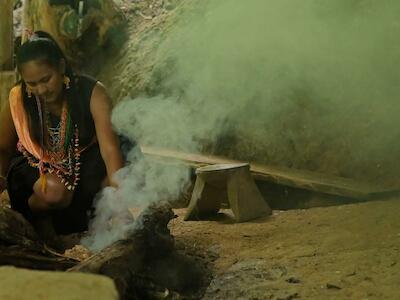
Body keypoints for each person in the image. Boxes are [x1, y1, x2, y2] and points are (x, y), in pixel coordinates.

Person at [0, 30, 125, 242]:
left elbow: (109, 149)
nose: (40, 89)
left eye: (46, 79)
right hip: (34, 164)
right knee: (55, 191)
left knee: (124, 169)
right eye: (32, 83)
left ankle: (97, 220)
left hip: (83, 161)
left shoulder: (92, 92)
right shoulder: (18, 98)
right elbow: (2, 148)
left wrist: (121, 205)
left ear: (60, 67)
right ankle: (38, 221)